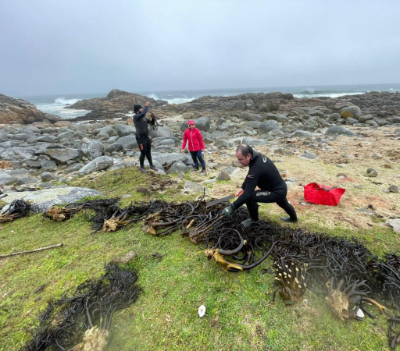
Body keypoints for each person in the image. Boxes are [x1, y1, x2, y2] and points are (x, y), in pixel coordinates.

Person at [220, 144, 298, 227]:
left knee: (250, 198)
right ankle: (294, 219)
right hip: (280, 187)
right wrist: (242, 187)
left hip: (276, 191)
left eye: (241, 159)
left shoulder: (257, 167)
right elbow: (249, 175)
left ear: (248, 155)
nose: (239, 162)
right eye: (238, 159)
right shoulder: (256, 157)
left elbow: (247, 194)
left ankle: (254, 219)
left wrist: (231, 207)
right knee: (283, 203)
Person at [129, 102, 157, 173]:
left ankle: (151, 165)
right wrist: (146, 106)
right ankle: (142, 167)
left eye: (142, 108)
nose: (142, 109)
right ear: (137, 110)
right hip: (140, 138)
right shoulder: (136, 117)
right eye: (141, 108)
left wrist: (153, 117)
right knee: (143, 152)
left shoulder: (144, 118)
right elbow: (143, 113)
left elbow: (152, 123)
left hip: (146, 137)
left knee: (148, 152)